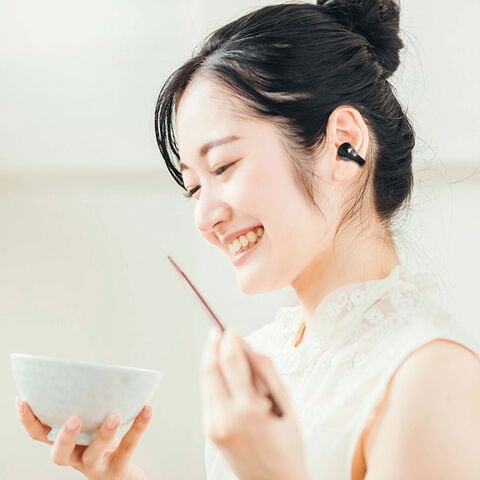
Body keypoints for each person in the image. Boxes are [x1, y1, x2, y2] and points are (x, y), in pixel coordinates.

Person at [16, 0, 480, 479]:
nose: (204, 217)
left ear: (344, 144)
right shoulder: (268, 359)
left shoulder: (430, 377)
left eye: (223, 166)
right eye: (194, 187)